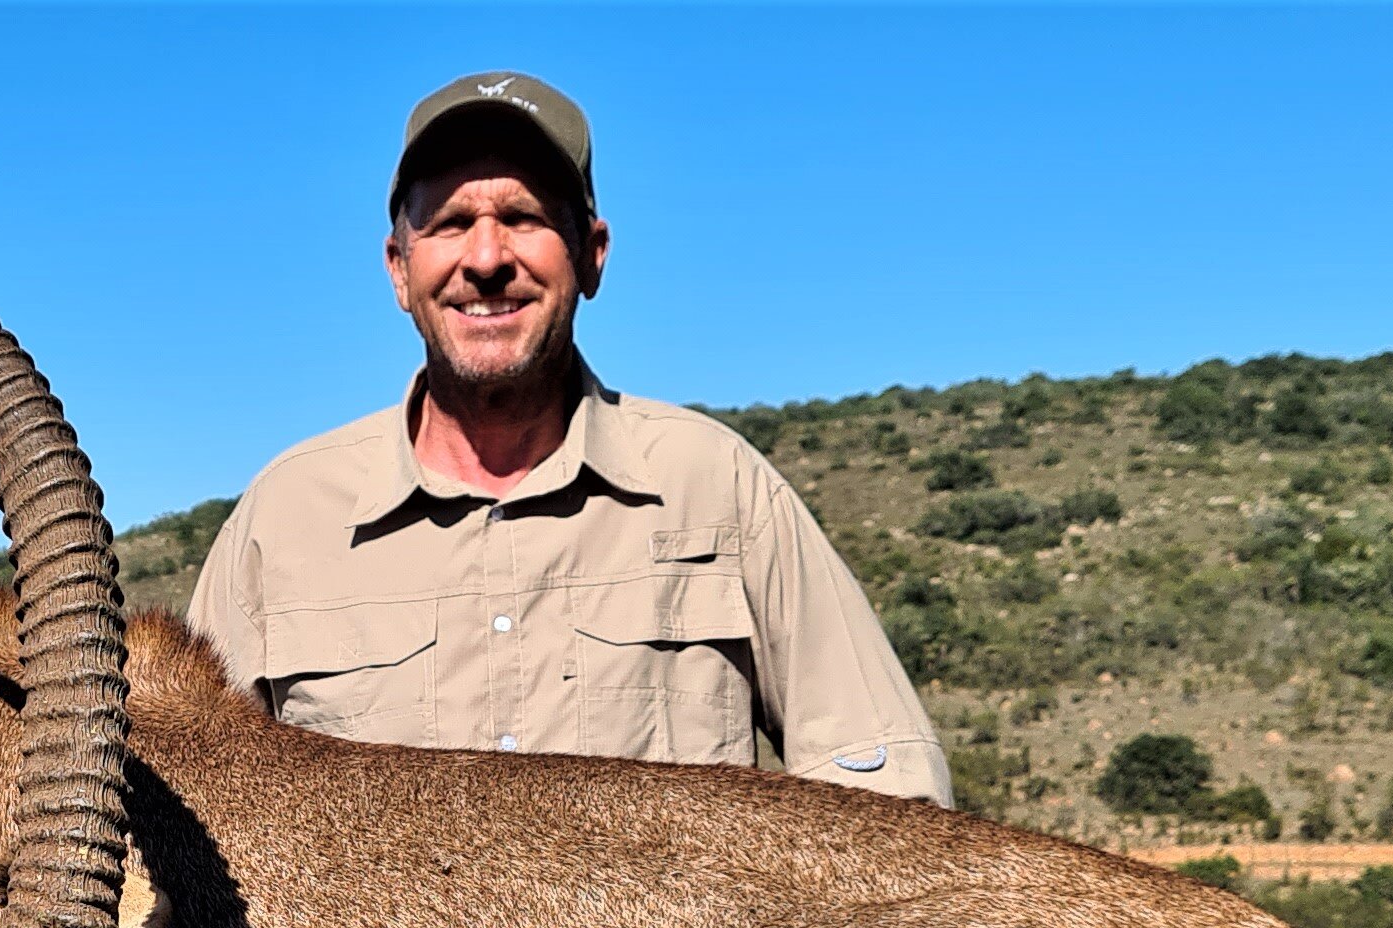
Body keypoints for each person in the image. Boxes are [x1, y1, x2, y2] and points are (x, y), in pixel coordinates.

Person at [186, 71, 951, 803]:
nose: (486, 260)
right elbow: (176, 822)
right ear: (398, 269)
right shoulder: (285, 519)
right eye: (451, 224)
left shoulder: (716, 488)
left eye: (523, 219)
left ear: (591, 254)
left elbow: (889, 800)